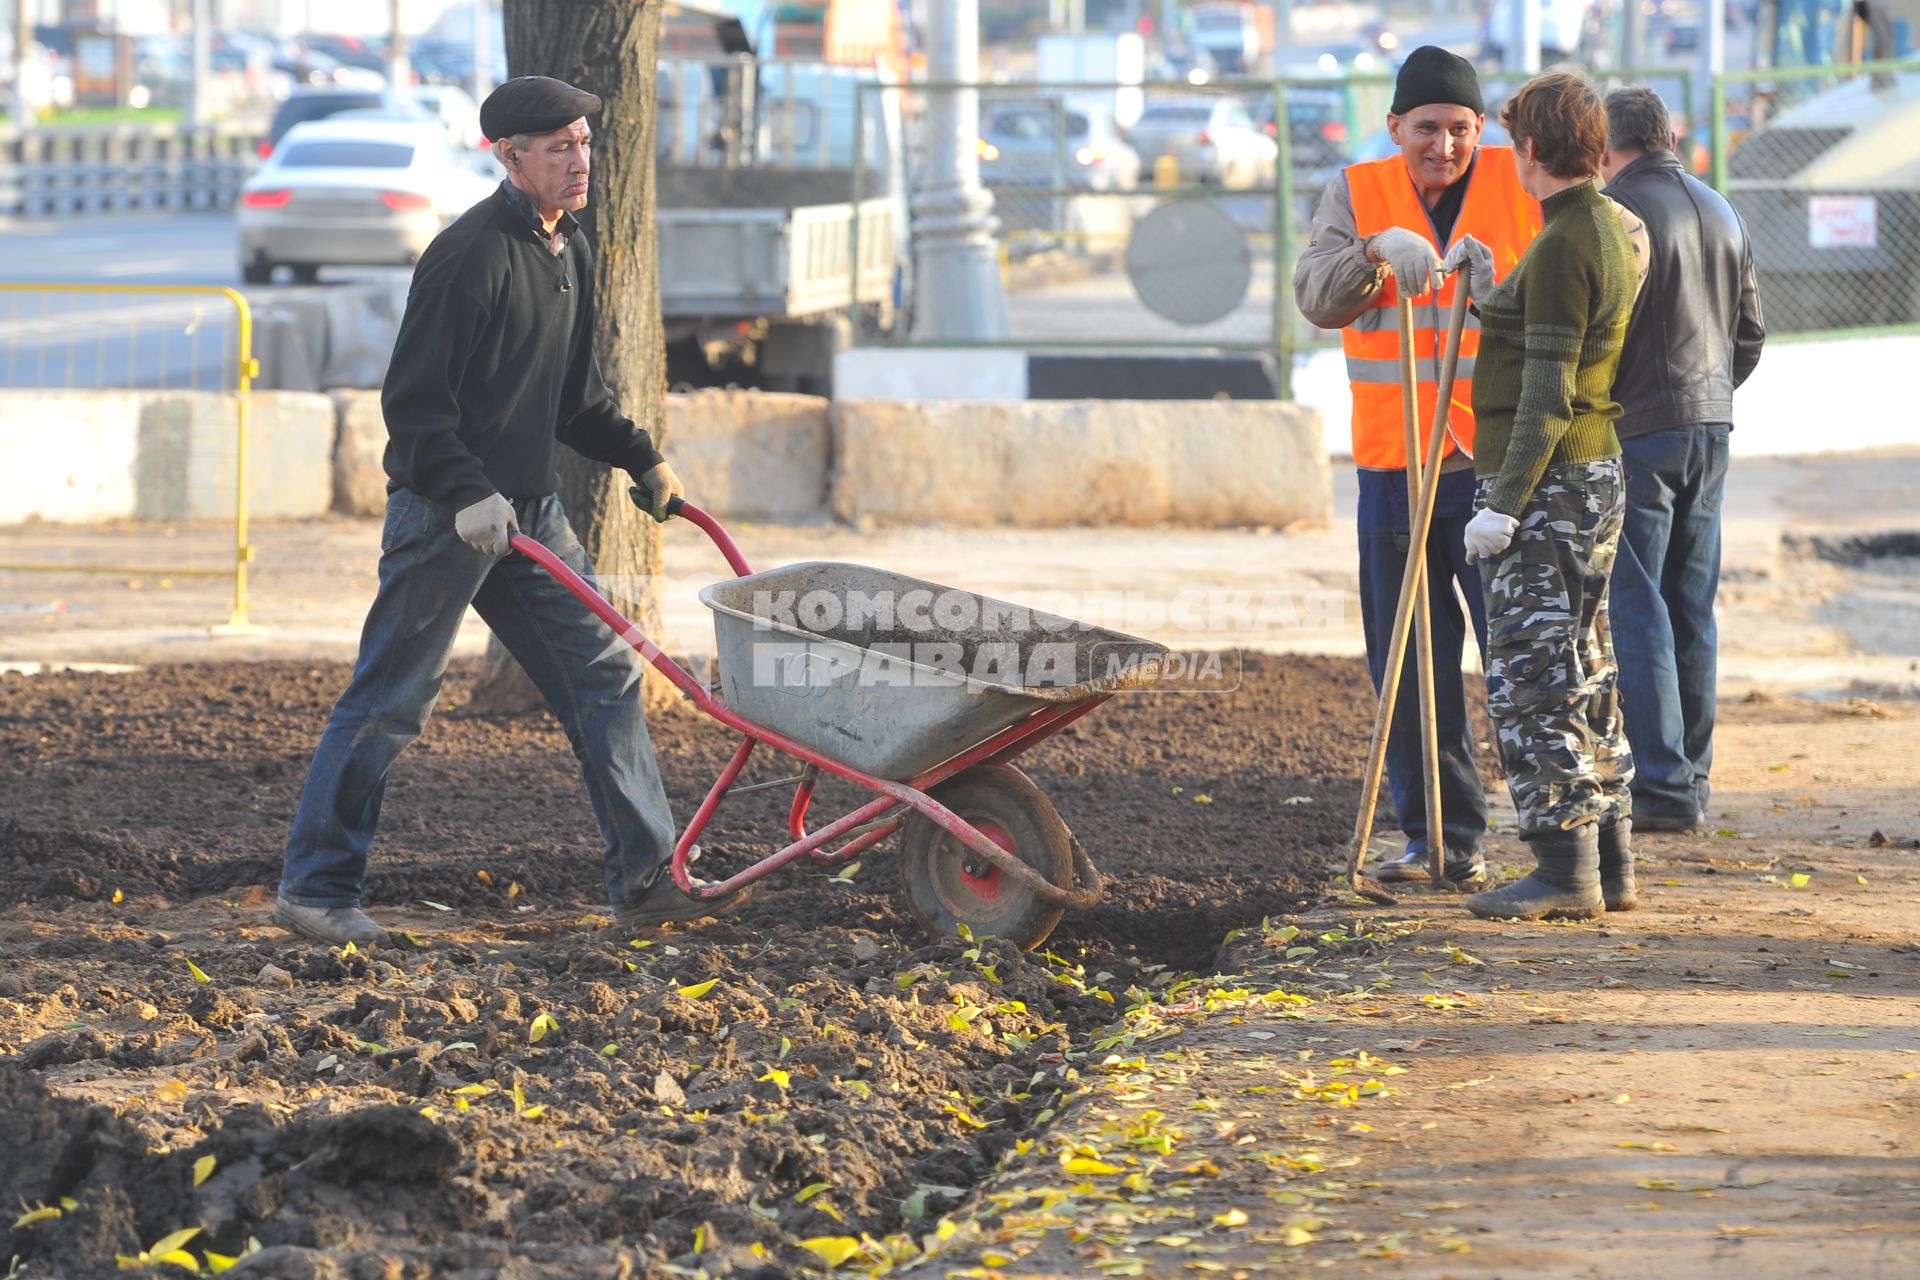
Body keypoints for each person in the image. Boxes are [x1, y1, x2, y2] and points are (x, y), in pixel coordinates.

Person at [271, 75, 740, 947]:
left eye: (584, 142)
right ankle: (316, 889)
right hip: (447, 516)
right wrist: (463, 491)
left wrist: (643, 457)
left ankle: (646, 881)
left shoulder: (571, 252)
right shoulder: (469, 256)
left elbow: (574, 401)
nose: (579, 160)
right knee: (392, 700)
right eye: (558, 147)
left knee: (605, 675)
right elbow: (414, 408)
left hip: (529, 513)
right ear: (509, 157)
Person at [1293, 46, 1543, 887]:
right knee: (1408, 658)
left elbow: (1588, 265)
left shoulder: (1520, 180)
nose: (1444, 145)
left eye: (1461, 129)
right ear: (1395, 125)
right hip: (1395, 465)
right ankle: (1437, 839)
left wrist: (1500, 286)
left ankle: (1555, 843)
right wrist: (1370, 253)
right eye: (1427, 128)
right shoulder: (1357, 192)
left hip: (1495, 465)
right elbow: (1317, 299)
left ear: (1483, 129)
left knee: (1519, 651)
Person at [1445, 71, 1639, 921]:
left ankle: (1566, 873)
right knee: (1586, 664)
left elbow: (1549, 391)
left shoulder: (1568, 241)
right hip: (1588, 477)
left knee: (1532, 677)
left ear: (1531, 147)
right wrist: (1488, 282)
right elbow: (1544, 333)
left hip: (1550, 485)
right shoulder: (1599, 225)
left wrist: (1503, 504)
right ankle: (1612, 863)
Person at [1600, 86, 1766, 838]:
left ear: (1606, 148)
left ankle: (1662, 791)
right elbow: (1752, 334)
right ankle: (1689, 782)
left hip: (1641, 429)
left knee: (1639, 606)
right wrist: (1712, 396)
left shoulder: (1617, 214)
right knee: (1691, 606)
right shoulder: (1722, 208)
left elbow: (1601, 333)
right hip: (1712, 425)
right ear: (1669, 134)